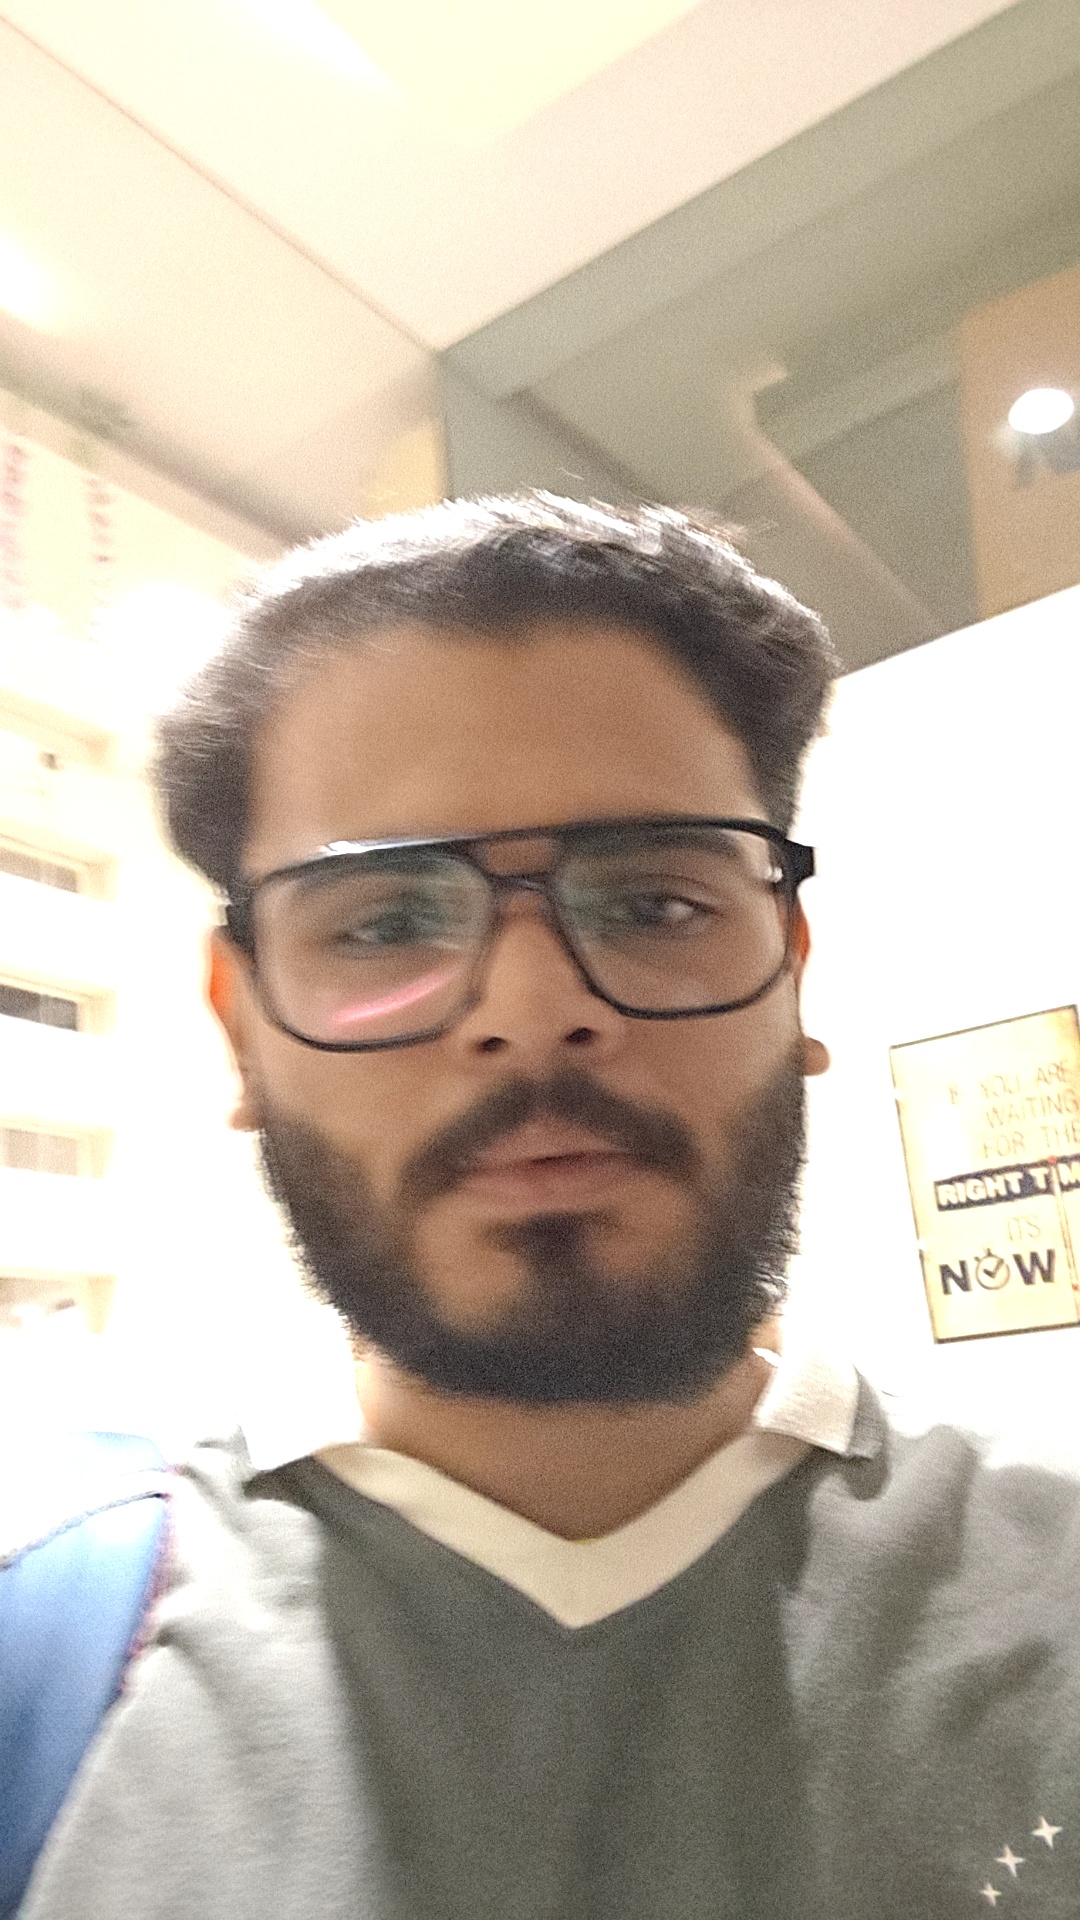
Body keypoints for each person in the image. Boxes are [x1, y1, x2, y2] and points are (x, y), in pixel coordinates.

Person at [23, 495, 1080, 1919]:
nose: (533, 1012)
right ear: (241, 1029)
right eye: (383, 921)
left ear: (792, 966)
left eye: (651, 902)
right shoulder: (46, 1647)